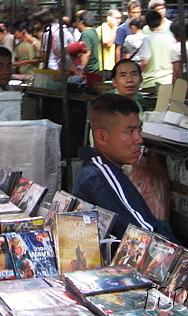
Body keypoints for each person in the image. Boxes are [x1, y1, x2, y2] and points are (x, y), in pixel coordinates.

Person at [72, 93, 177, 241]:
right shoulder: (102, 178)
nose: (139, 139)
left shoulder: (96, 167)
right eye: (130, 132)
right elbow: (148, 239)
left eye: (139, 130)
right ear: (102, 137)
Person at [140, 10, 174, 91]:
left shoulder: (148, 39)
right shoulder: (171, 38)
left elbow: (145, 62)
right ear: (161, 21)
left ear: (147, 24)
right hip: (168, 81)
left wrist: (138, 73)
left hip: (151, 82)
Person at [96, 8, 122, 78]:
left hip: (114, 66)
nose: (118, 20)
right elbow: (108, 43)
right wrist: (114, 28)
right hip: (105, 66)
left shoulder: (118, 29)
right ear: (109, 18)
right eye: (116, 18)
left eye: (120, 18)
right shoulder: (102, 28)